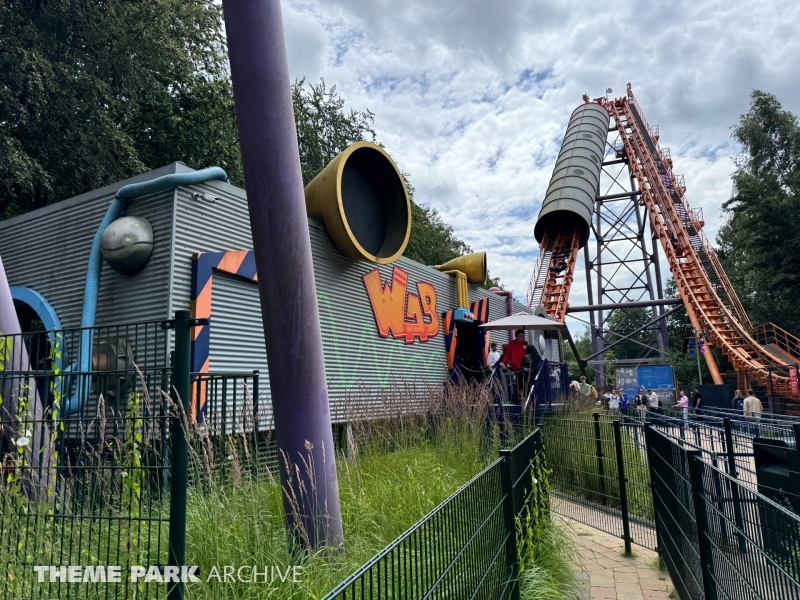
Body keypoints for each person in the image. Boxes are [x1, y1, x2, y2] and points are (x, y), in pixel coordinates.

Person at [501, 330, 528, 403]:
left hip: (525, 367)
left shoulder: (525, 344)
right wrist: (503, 363)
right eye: (520, 336)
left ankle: (522, 399)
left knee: (525, 383)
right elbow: (507, 355)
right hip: (517, 367)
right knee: (519, 383)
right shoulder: (511, 344)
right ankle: (515, 400)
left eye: (522, 336)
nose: (521, 338)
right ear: (516, 336)